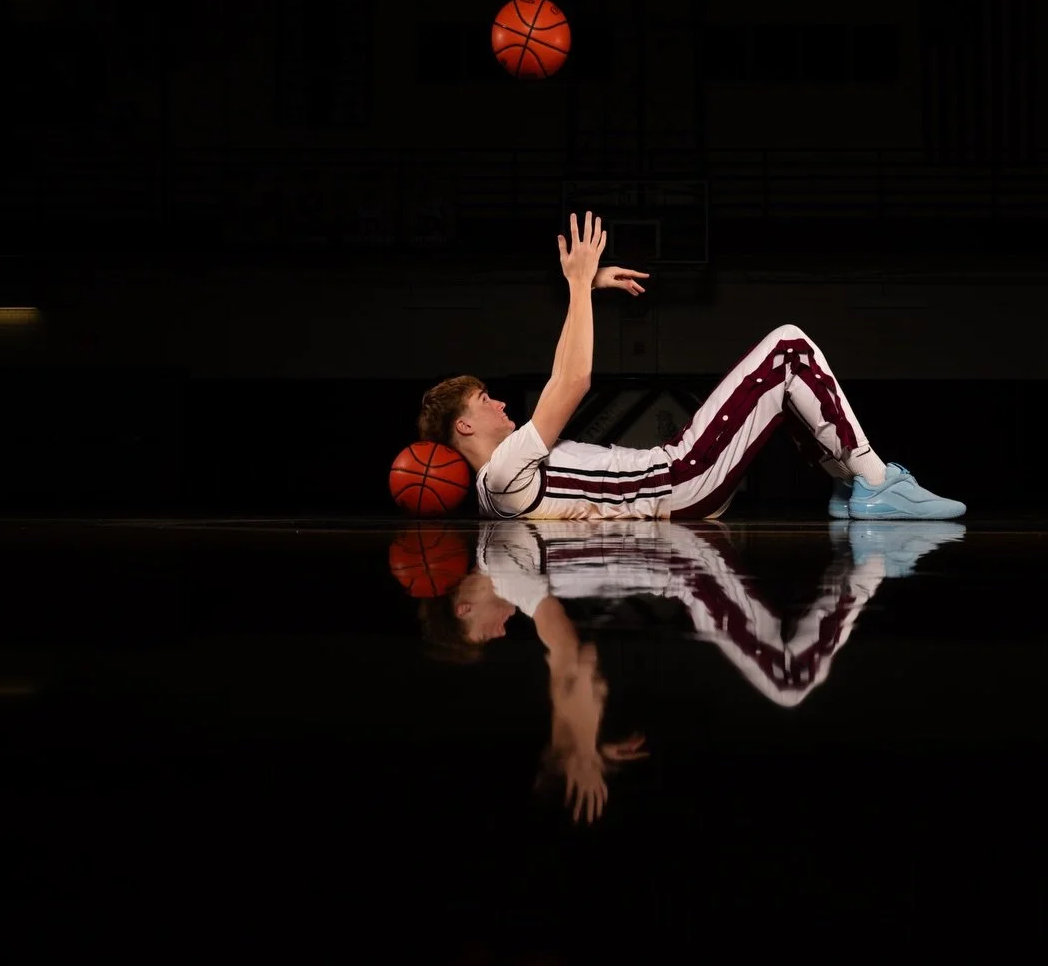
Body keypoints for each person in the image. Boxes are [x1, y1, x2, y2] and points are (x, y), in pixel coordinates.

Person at [396, 518, 968, 821]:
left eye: (482, 634)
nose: (499, 635)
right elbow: (572, 665)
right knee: (788, 683)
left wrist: (575, 747)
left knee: (791, 686)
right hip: (669, 578)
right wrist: (572, 745)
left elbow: (573, 664)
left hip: (678, 569)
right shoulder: (509, 570)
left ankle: (861, 576)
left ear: (463, 609)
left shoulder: (508, 570)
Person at [417, 212, 966, 521]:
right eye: (484, 401)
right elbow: (572, 380)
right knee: (789, 348)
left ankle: (852, 489)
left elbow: (561, 384)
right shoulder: (503, 468)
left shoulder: (495, 493)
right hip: (679, 479)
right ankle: (873, 482)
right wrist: (579, 282)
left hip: (675, 483)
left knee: (780, 384)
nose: (499, 402)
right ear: (463, 426)